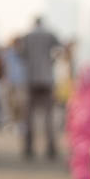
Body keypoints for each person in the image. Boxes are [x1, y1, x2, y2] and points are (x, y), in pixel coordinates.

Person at [20, 16, 60, 159]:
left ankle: (28, 147)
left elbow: (22, 54)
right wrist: (51, 62)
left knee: (29, 115)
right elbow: (59, 50)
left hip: (31, 78)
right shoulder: (49, 34)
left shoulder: (27, 36)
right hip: (47, 78)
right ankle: (51, 147)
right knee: (48, 115)